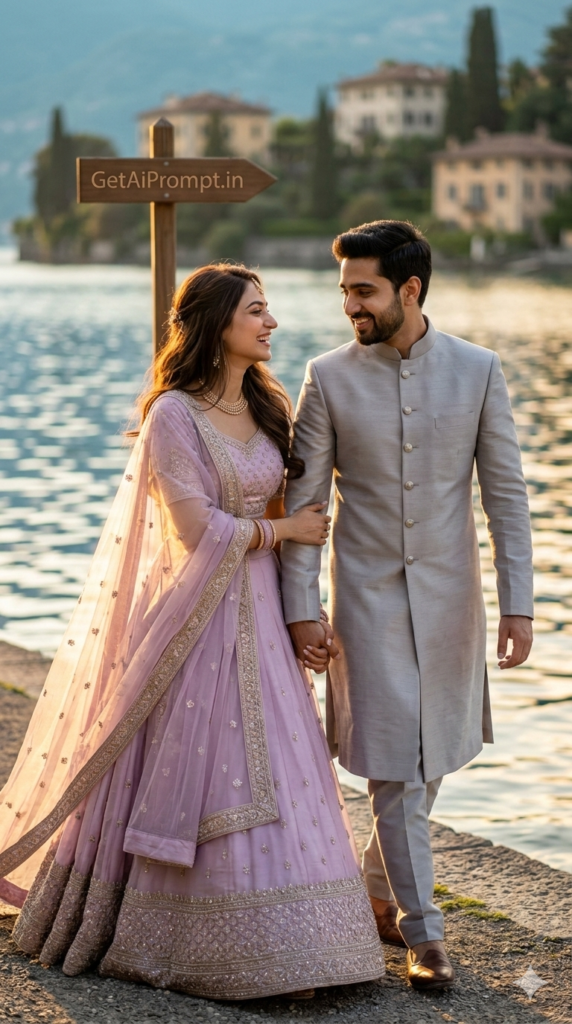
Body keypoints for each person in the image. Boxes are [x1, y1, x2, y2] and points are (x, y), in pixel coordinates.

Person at [0, 264, 384, 1000]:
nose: (271, 324)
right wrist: (282, 530)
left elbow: (296, 504)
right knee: (218, 772)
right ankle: (218, 950)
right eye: (257, 311)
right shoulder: (173, 414)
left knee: (285, 770)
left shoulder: (270, 406)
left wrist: (306, 608)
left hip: (262, 620)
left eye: (269, 311)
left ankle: (308, 944)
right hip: (195, 622)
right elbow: (193, 526)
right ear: (215, 324)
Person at [280, 220, 534, 992]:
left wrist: (519, 605)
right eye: (346, 291)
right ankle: (426, 939)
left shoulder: (479, 369)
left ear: (410, 290)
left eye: (364, 290)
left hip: (454, 604)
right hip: (365, 605)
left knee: (428, 764)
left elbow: (507, 495)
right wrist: (301, 609)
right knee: (394, 770)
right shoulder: (326, 376)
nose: (350, 304)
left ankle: (382, 890)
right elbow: (305, 500)